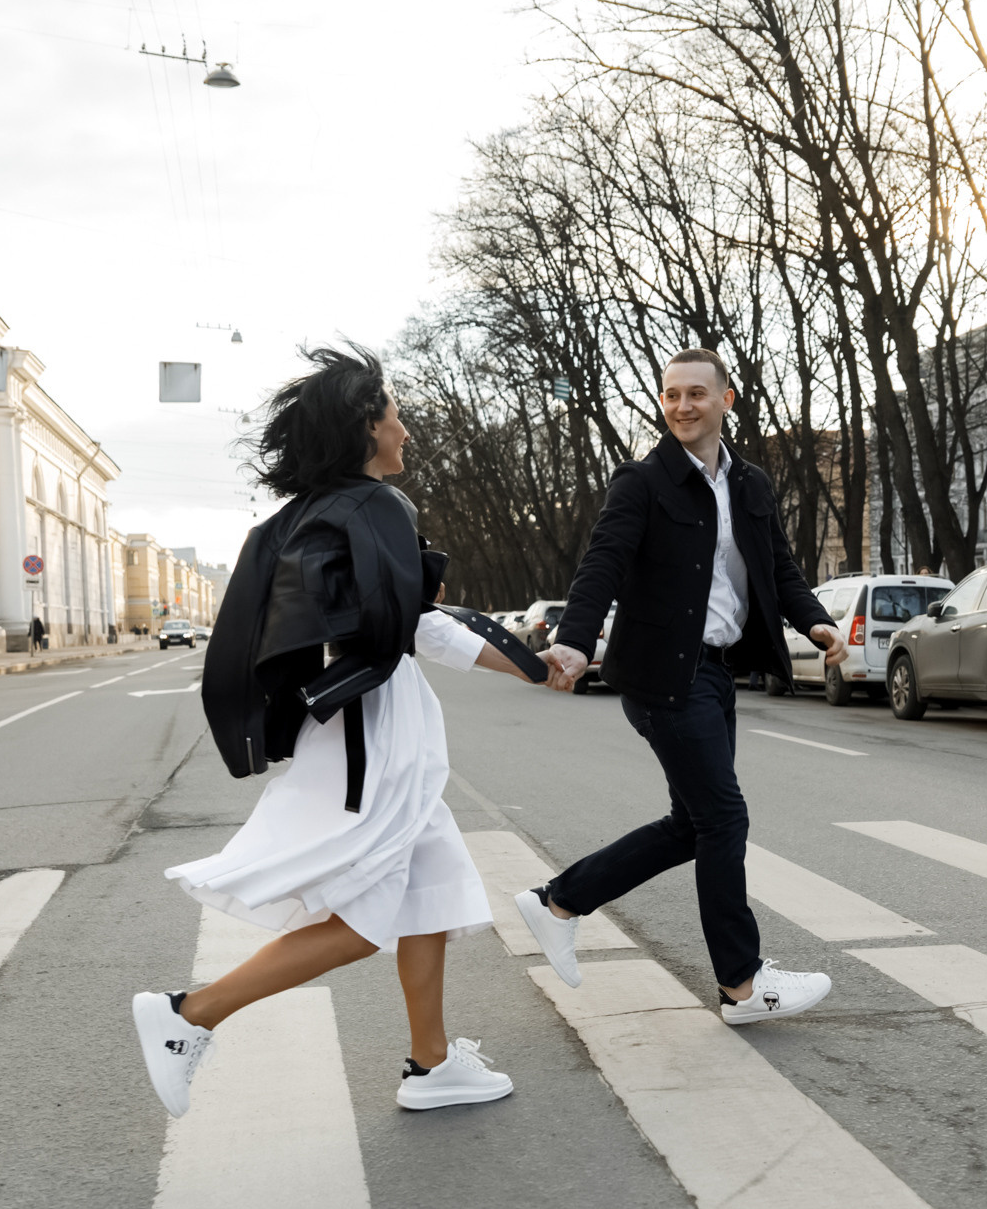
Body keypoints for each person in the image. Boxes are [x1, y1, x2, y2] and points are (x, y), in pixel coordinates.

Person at [132, 346, 537, 1118]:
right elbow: (410, 626)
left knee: (433, 890)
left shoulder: (306, 514)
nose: (406, 429)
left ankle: (433, 1062)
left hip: (362, 730)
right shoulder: (374, 506)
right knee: (361, 919)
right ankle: (189, 1014)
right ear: (365, 427)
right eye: (394, 414)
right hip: (373, 743)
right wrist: (526, 662)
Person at [524, 348, 848, 1023]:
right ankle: (742, 983)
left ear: (726, 400)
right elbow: (603, 560)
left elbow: (779, 569)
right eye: (672, 395)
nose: (682, 406)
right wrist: (577, 640)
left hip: (720, 674)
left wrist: (817, 623)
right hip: (664, 675)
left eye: (696, 394)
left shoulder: (751, 485)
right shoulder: (643, 482)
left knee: (692, 825)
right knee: (724, 817)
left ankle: (559, 900)